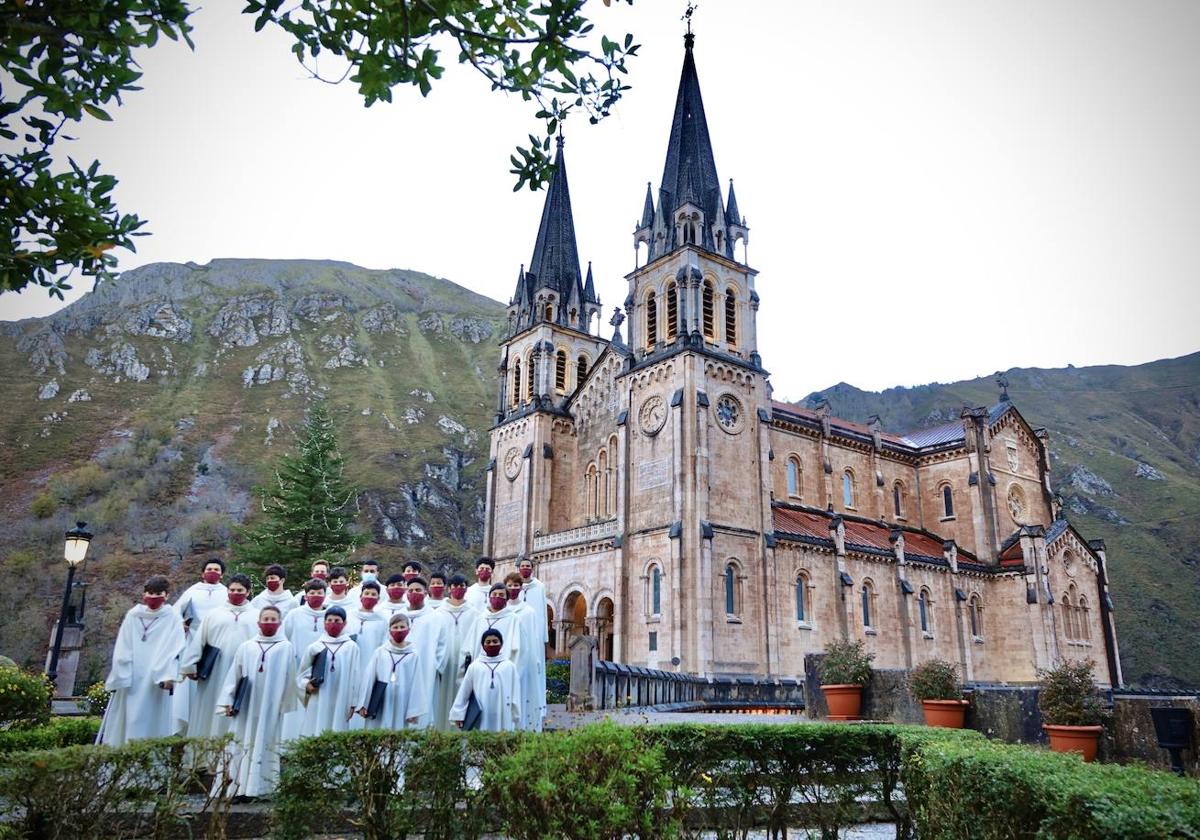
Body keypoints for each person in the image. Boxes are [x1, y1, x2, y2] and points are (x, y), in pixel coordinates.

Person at [217, 605, 299, 798]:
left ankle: (261, 788)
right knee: (241, 743)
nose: (269, 623)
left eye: (273, 620)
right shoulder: (247, 647)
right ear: (258, 622)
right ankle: (236, 788)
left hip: (270, 707)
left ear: (279, 623)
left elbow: (290, 677)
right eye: (266, 619)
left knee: (265, 742)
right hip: (246, 705)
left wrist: (283, 704)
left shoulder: (286, 647)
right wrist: (228, 700)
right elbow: (234, 675)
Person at [97, 575, 185, 745]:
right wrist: (121, 672)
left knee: (151, 720)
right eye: (149, 593)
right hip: (132, 675)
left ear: (166, 595)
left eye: (158, 593)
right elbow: (124, 643)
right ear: (144, 594)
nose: (153, 597)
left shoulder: (172, 618)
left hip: (155, 679)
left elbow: (175, 647)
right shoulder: (133, 615)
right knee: (129, 718)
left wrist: (167, 675)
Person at [180, 574, 258, 740]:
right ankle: (203, 755)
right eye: (232, 590)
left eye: (240, 590)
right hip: (215, 670)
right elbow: (200, 639)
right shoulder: (214, 614)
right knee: (209, 708)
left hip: (244, 672)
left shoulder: (256, 615)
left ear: (248, 591)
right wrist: (190, 666)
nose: (235, 593)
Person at [172, 558, 227, 736]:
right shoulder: (192, 591)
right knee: (189, 688)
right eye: (209, 568)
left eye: (216, 569)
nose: (213, 571)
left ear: (222, 574)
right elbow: (175, 613)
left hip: (216, 643)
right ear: (202, 573)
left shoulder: (227, 592)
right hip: (193, 640)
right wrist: (181, 624)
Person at [296, 606, 360, 736]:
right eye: (329, 620)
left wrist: (353, 702)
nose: (333, 623)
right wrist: (306, 685)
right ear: (324, 623)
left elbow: (355, 675)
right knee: (315, 730)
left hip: (341, 698)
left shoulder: (351, 647)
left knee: (338, 729)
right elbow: (302, 673)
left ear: (345, 623)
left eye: (337, 620)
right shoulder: (315, 646)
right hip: (319, 697)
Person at [357, 613, 426, 729]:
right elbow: (369, 678)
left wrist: (413, 711)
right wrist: (364, 703)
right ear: (389, 630)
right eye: (395, 627)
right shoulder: (380, 652)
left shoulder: (413, 655)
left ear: (408, 629)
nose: (399, 630)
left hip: (402, 701)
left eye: (402, 627)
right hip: (381, 699)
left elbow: (417, 682)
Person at [280, 579, 328, 740]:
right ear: (306, 596)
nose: (316, 596)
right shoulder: (295, 614)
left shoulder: (330, 616)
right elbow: (283, 637)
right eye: (312, 593)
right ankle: (291, 742)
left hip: (321, 669)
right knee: (296, 710)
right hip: (297, 667)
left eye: (319, 593)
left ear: (325, 595)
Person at [450, 628, 520, 732]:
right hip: (481, 712)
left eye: (495, 641)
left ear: (501, 644)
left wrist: (515, 713)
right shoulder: (475, 666)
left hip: (503, 711)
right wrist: (458, 714)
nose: (492, 644)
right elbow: (464, 691)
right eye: (488, 642)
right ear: (483, 645)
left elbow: (515, 691)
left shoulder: (509, 666)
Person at [403, 576, 450, 729]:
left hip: (426, 672)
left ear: (425, 593)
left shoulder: (435, 617)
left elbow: (443, 645)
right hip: (402, 671)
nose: (414, 593)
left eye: (418, 590)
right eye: (410, 590)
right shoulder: (399, 616)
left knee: (425, 711)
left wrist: (435, 667)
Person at [433, 573, 477, 731]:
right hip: (445, 664)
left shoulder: (474, 613)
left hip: (465, 664)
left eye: (462, 586)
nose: (458, 589)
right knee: (442, 699)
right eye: (455, 586)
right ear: (449, 589)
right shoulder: (438, 613)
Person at [504, 572, 546, 731]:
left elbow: (534, 639)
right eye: (510, 585)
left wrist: (535, 660)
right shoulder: (501, 611)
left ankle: (524, 729)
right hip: (505, 659)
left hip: (525, 660)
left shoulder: (528, 612)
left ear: (521, 588)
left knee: (524, 694)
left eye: (516, 585)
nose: (513, 588)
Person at [462, 583, 521, 665]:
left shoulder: (513, 619)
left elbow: (517, 648)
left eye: (501, 595)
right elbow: (469, 646)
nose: (497, 597)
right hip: (480, 666)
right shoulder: (480, 619)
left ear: (507, 599)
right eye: (494, 594)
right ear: (489, 597)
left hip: (503, 666)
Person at [349, 580, 387, 660]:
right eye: (366, 593)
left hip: (372, 660)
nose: (369, 597)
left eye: (373, 594)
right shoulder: (350, 616)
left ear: (378, 598)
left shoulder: (382, 620)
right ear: (360, 596)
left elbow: (383, 645)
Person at [518, 557, 549, 649]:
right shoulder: (515, 586)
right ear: (519, 569)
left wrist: (544, 636)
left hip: (535, 628)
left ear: (532, 569)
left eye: (527, 566)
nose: (525, 568)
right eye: (522, 566)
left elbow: (543, 612)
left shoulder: (540, 586)